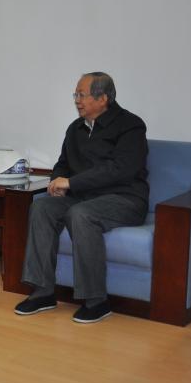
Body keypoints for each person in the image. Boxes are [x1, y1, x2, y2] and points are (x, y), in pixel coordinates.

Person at [15, 72, 149, 323]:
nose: (76, 100)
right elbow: (63, 163)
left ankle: (96, 301)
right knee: (42, 207)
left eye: (82, 95)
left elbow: (120, 169)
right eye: (75, 95)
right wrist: (57, 180)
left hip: (124, 199)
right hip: (84, 197)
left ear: (103, 98)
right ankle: (43, 292)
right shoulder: (75, 128)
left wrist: (72, 183)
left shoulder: (131, 125)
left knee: (81, 214)